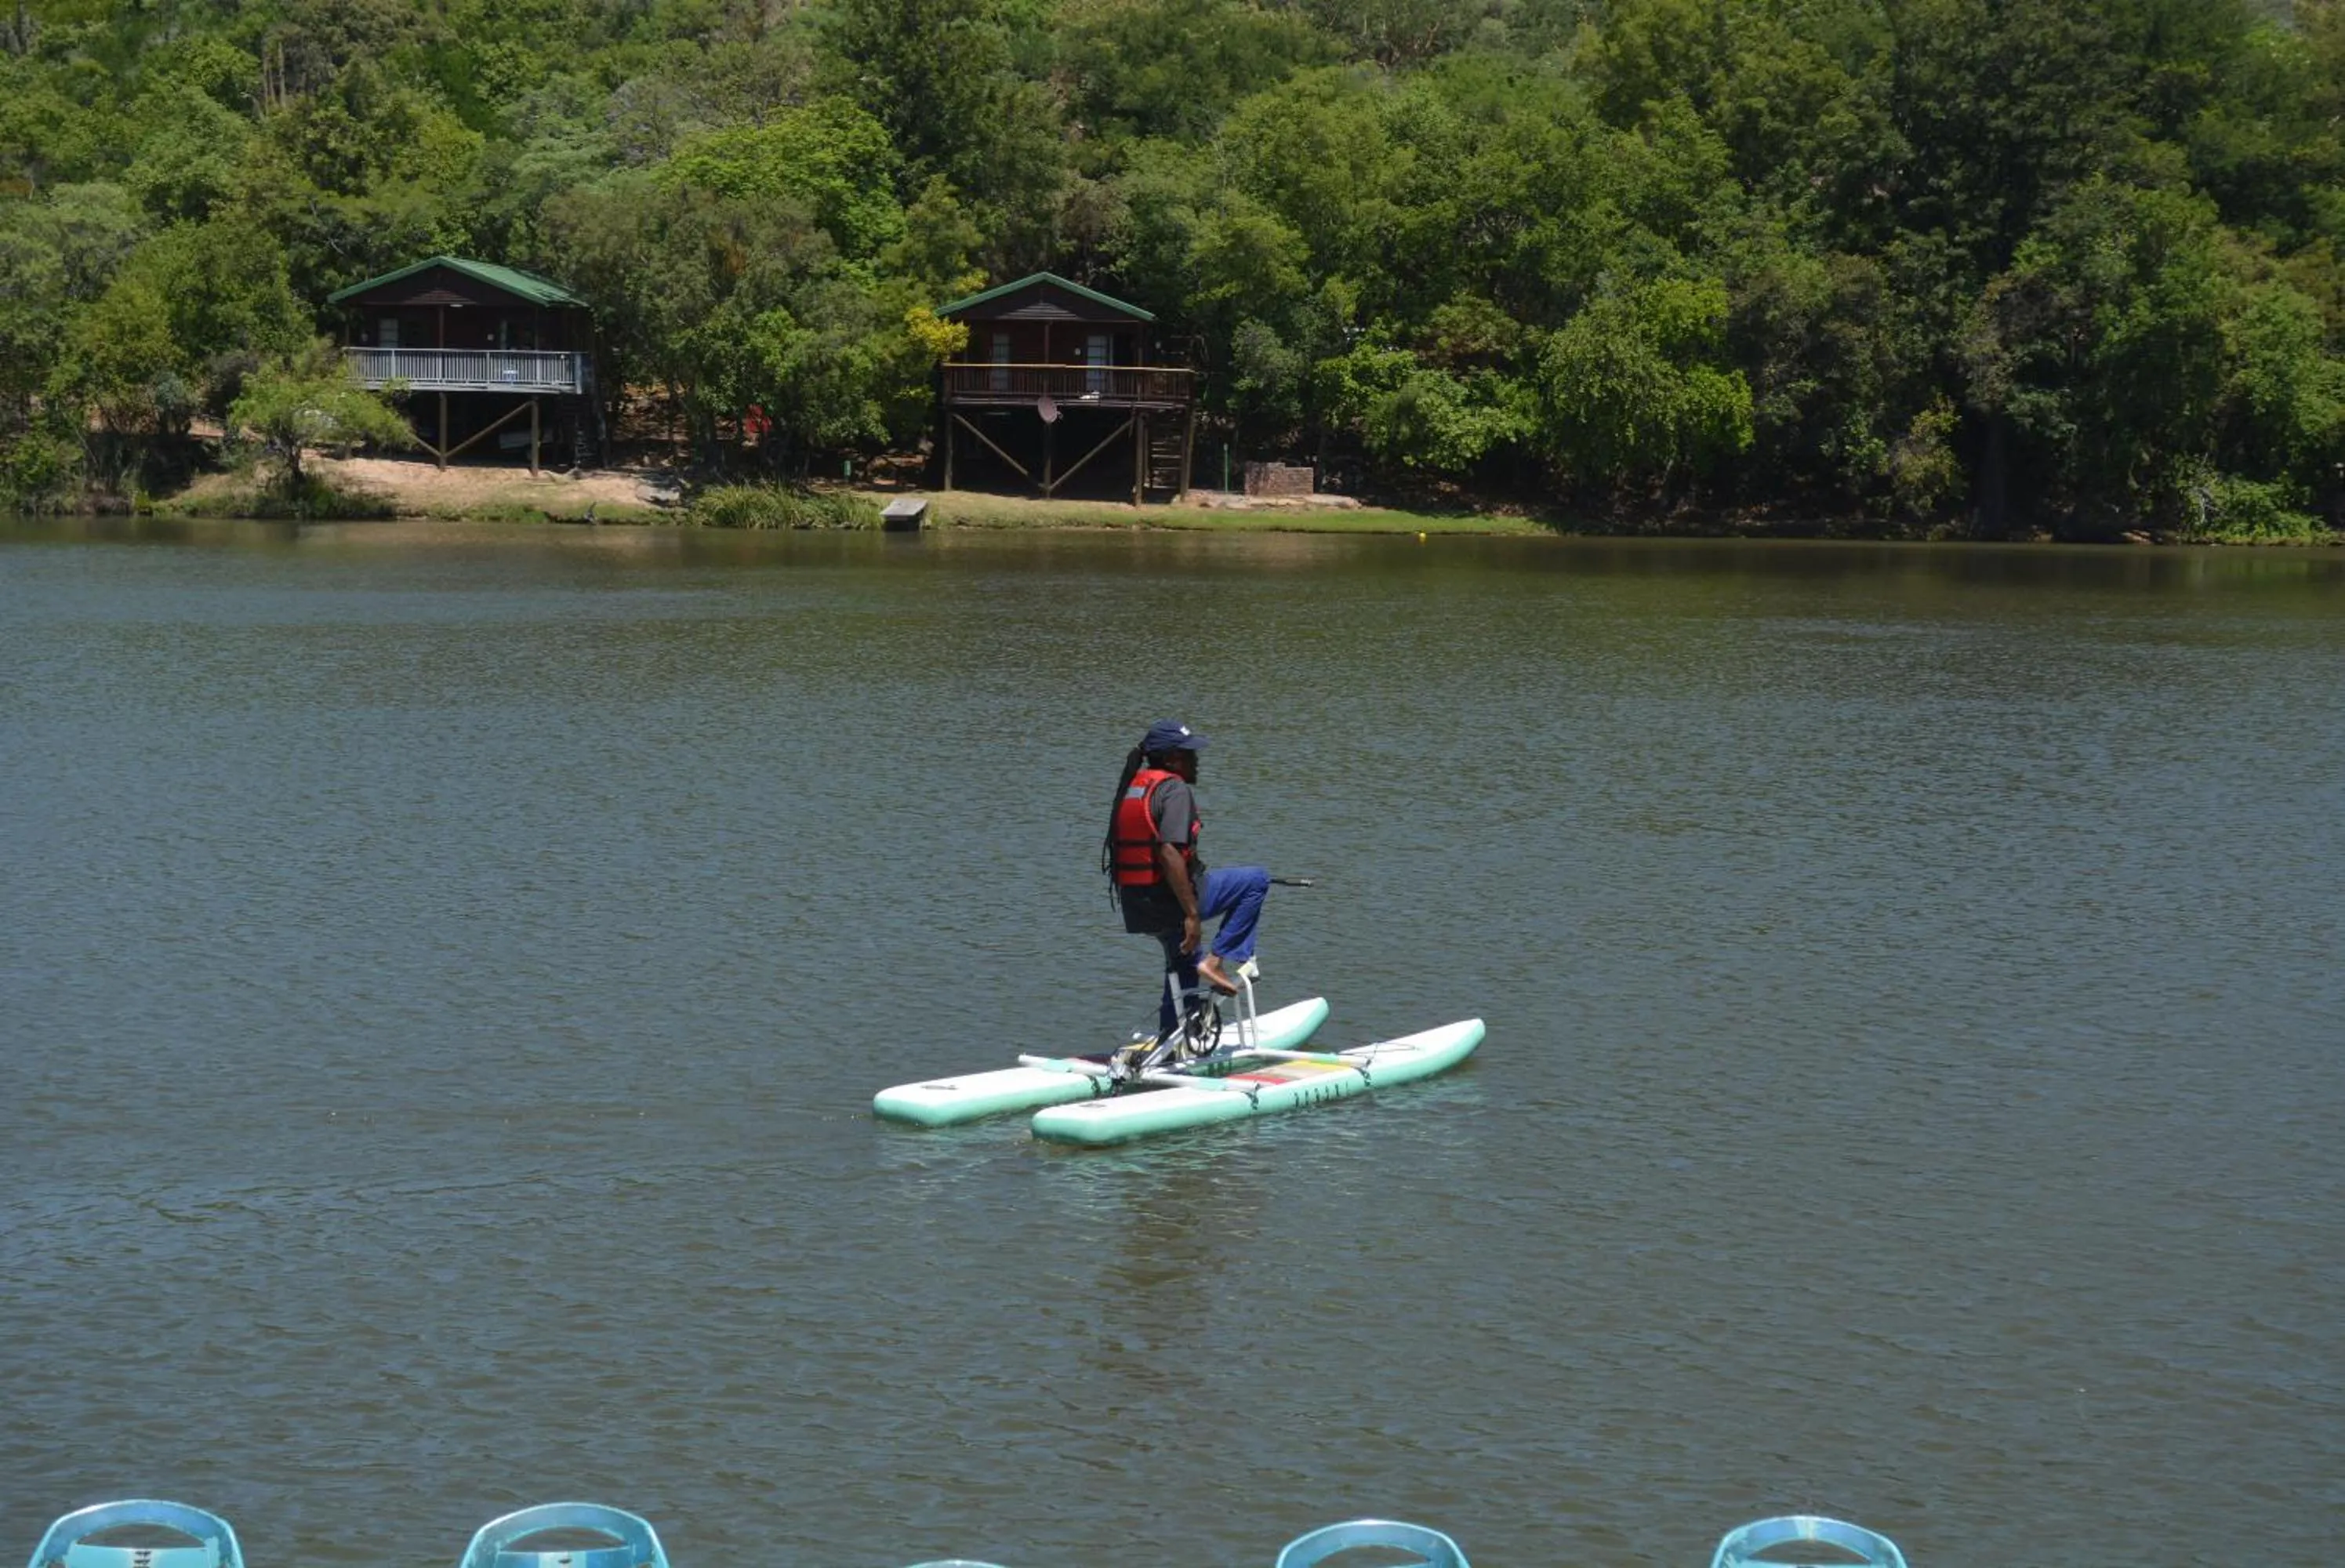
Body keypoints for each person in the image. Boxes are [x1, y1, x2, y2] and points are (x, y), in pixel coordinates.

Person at [1102, 719, 1271, 1041]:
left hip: (1137, 906)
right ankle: (1216, 961)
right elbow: (1169, 853)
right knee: (1256, 880)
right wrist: (1193, 915)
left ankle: (1174, 1042)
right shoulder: (1174, 789)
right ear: (1172, 758)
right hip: (1171, 902)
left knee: (1181, 969)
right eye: (1190, 754)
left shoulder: (1135, 787)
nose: (1197, 760)